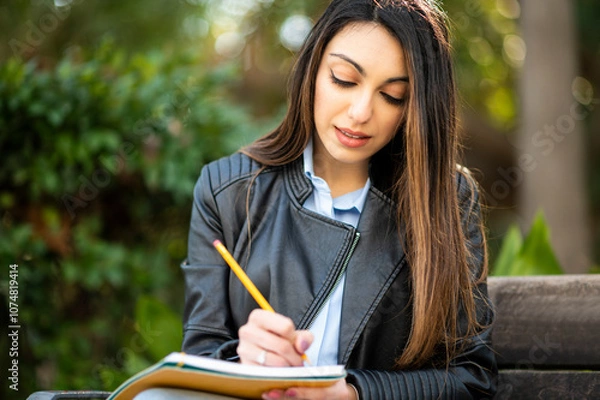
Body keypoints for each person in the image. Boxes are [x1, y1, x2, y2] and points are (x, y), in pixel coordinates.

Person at [181, 0, 497, 399]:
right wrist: (245, 363)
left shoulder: (446, 198)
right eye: (344, 80)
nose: (361, 112)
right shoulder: (227, 191)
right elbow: (200, 355)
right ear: (312, 70)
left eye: (393, 95)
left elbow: (472, 379)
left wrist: (352, 394)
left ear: (415, 107)